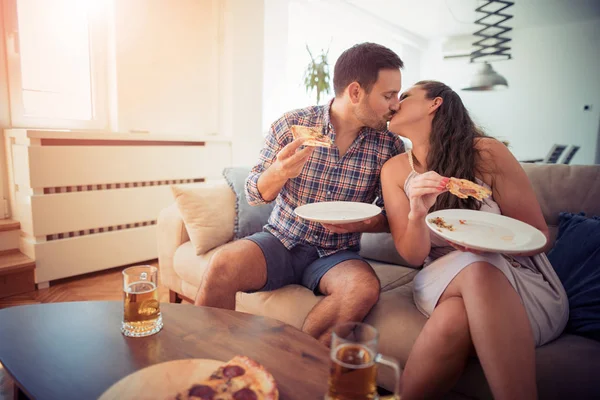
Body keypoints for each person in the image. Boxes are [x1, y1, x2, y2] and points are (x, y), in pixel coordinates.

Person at [194, 43, 405, 345]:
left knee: (362, 288)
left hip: (337, 253)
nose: (395, 104)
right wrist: (279, 172)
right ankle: (207, 359)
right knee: (222, 264)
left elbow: (388, 216)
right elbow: (254, 193)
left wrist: (361, 224)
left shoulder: (390, 147)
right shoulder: (292, 125)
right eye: (388, 95)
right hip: (280, 240)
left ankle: (297, 368)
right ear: (356, 92)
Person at [381, 80, 568, 400]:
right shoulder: (395, 170)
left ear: (434, 104)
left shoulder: (486, 152)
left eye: (406, 96)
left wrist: (488, 243)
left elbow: (538, 235)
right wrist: (417, 213)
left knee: (464, 298)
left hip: (518, 279)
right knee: (475, 267)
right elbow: (413, 256)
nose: (395, 103)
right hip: (440, 278)